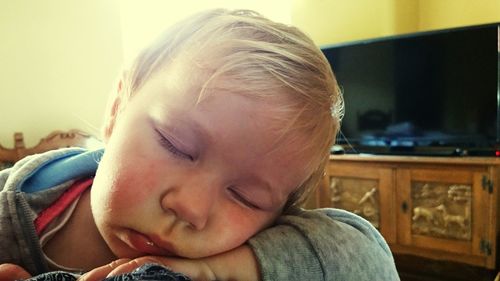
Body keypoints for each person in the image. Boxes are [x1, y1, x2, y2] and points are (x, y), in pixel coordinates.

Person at [0, 8, 399, 281]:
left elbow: (371, 262)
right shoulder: (11, 210)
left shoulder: (246, 250)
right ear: (118, 107)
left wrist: (218, 270)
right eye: (176, 145)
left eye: (246, 197)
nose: (190, 208)